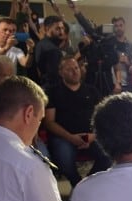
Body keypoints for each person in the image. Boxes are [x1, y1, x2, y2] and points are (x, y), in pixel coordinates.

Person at [43, 56, 111, 188]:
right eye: (69, 69)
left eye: (76, 68)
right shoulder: (53, 92)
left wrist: (93, 136)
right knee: (63, 157)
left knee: (108, 154)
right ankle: (78, 184)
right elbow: (49, 122)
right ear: (61, 72)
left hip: (90, 135)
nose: (75, 72)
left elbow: (103, 117)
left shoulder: (92, 91)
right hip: (64, 136)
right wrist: (70, 138)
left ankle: (87, 185)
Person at [34, 15, 65, 88]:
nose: (61, 32)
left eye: (62, 28)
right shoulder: (50, 48)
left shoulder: (43, 44)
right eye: (57, 29)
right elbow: (53, 75)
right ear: (47, 29)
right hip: (52, 89)